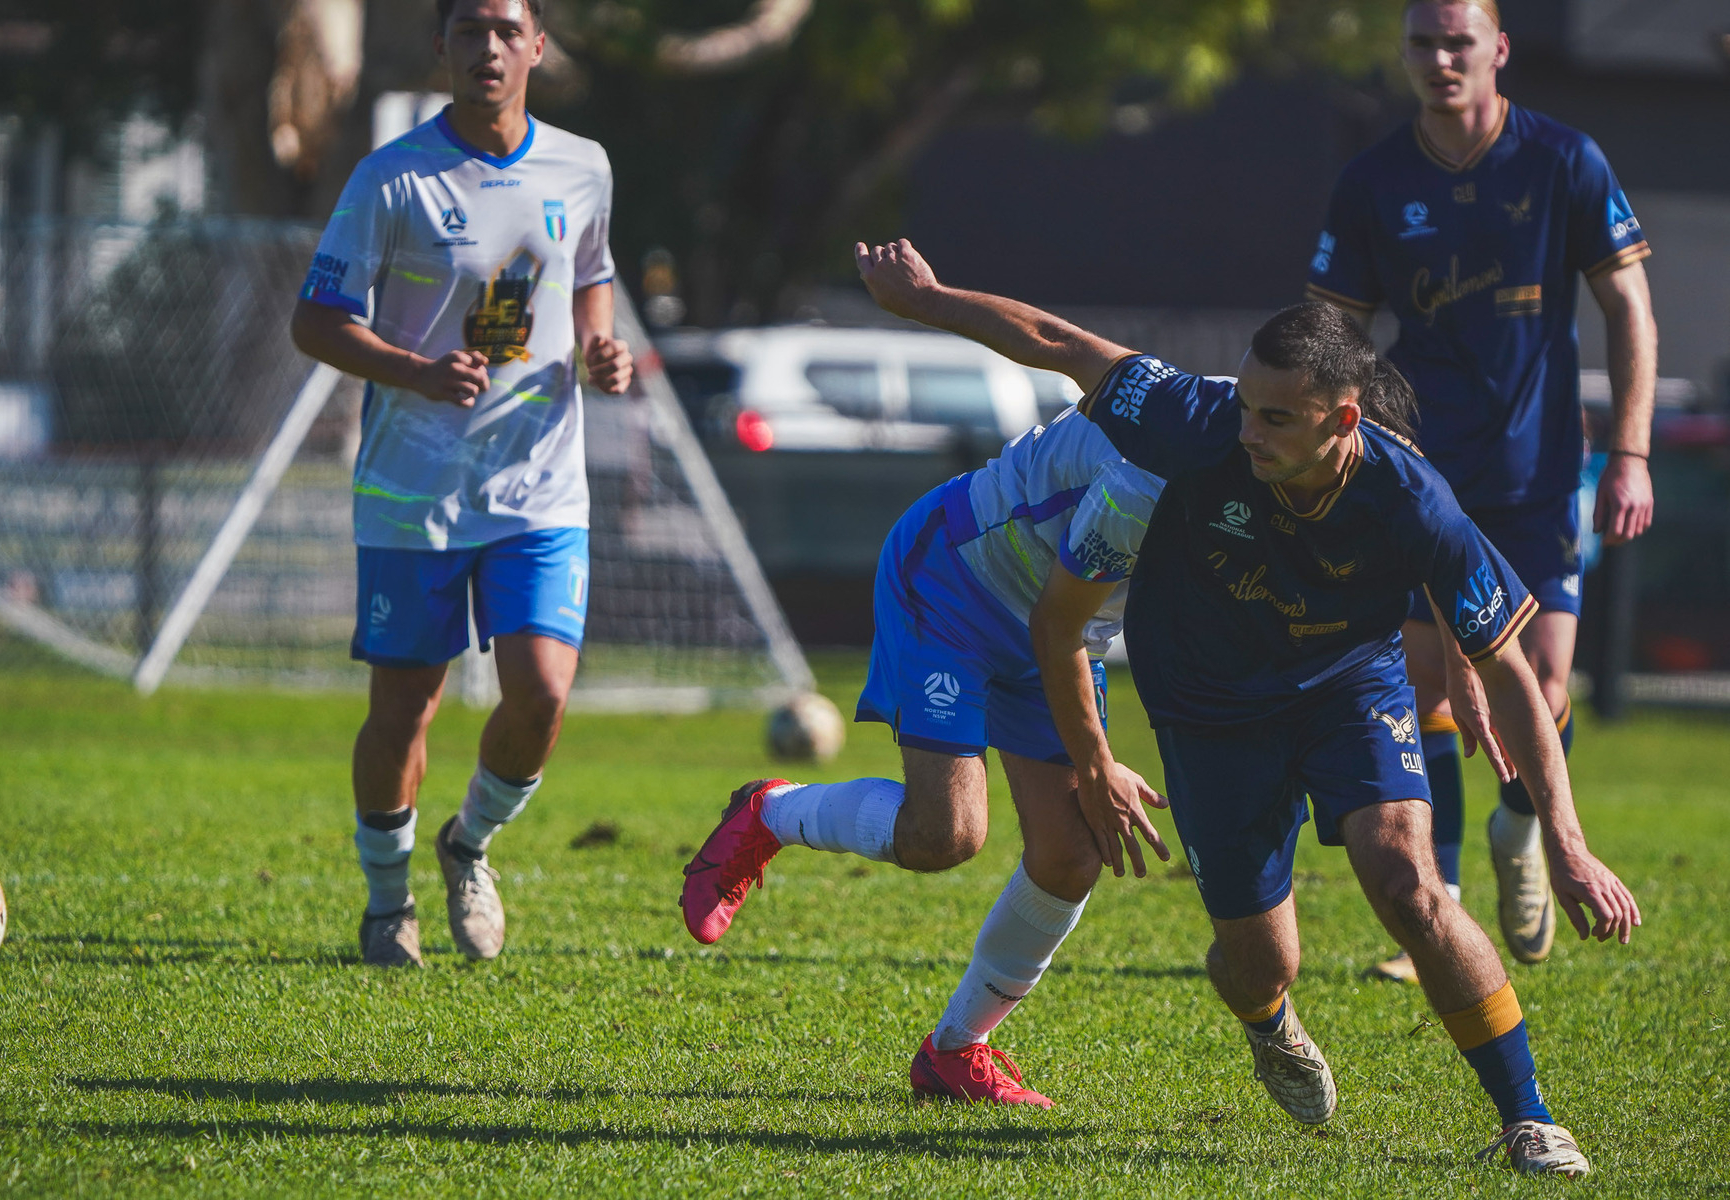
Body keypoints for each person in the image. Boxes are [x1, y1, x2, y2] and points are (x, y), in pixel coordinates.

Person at [855, 239, 1639, 1176]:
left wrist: (1565, 837)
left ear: (1341, 421)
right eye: (1244, 403)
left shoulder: (1414, 500)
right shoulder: (1197, 422)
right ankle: (1268, 1019)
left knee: (1410, 886)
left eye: (1275, 418)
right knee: (1258, 965)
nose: (1248, 432)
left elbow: (1510, 666)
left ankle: (1528, 1116)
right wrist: (928, 298)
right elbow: (1058, 343)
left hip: (1348, 687)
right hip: (1208, 709)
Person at [679, 242, 1172, 1107]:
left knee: (1074, 851)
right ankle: (769, 811)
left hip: (1062, 626)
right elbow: (1051, 337)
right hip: (954, 577)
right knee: (945, 836)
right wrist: (930, 299)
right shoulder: (1169, 439)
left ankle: (954, 1052)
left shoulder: (1299, 485)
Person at [1305, 0, 1657, 981]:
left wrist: (1627, 453)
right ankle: (1440, 906)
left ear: (1497, 50)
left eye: (1457, 42)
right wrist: (1336, 439)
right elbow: (1324, 330)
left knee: (1540, 688)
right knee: (1431, 694)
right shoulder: (1372, 180)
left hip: (1540, 470)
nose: (1438, 60)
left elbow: (1626, 306)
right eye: (1421, 43)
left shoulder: (1561, 160)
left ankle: (1519, 834)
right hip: (1421, 473)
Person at [290, 0, 632, 968]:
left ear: (535, 45)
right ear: (441, 45)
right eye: (468, 30)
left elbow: (590, 269)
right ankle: (386, 900)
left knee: (542, 693)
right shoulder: (389, 178)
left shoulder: (584, 164)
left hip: (539, 489)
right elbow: (313, 323)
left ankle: (469, 846)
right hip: (413, 494)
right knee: (404, 709)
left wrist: (599, 343)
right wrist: (415, 369)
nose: (487, 48)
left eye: (504, 29)